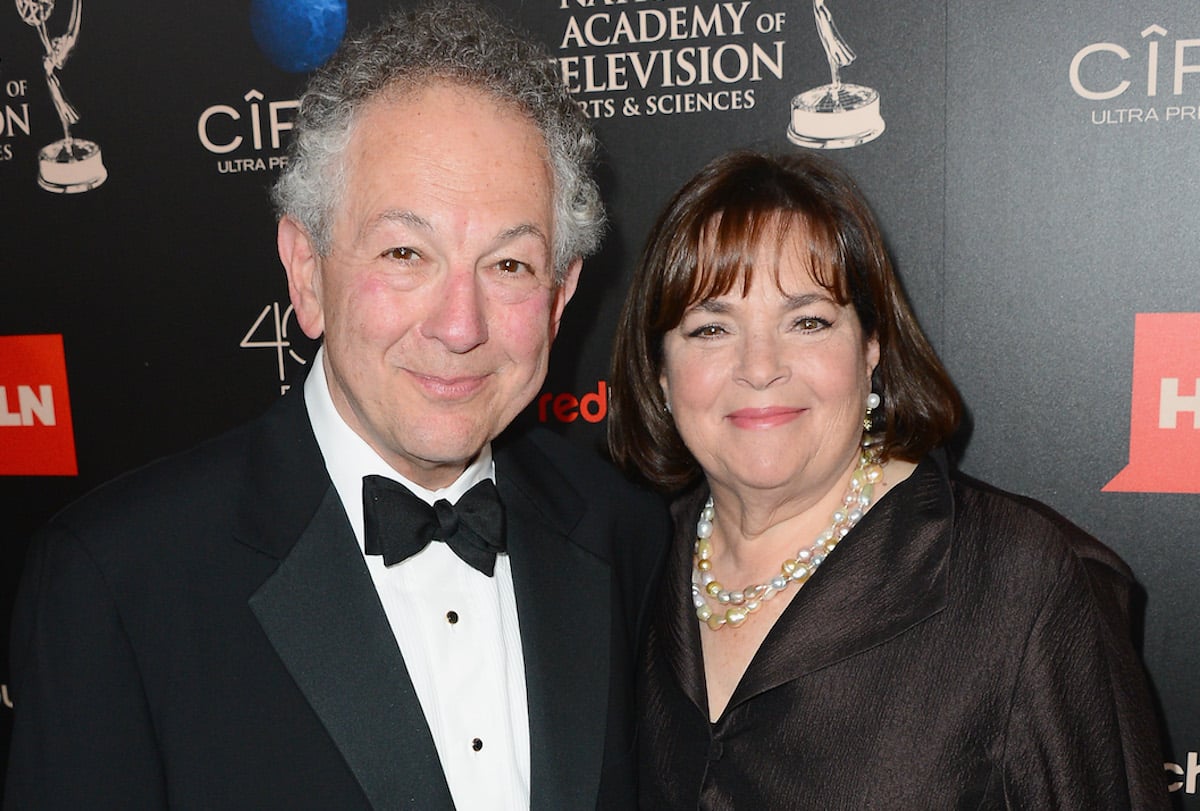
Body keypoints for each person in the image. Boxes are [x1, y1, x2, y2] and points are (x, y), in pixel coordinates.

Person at [5, 4, 668, 809]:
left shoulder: (621, 532)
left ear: (561, 299)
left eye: (509, 264)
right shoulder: (116, 581)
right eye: (404, 252)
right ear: (308, 274)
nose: (460, 326)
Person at [608, 150, 1167, 809]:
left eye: (807, 320)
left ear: (871, 348)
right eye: (711, 327)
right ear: (662, 372)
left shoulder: (1021, 576)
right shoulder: (625, 566)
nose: (759, 366)